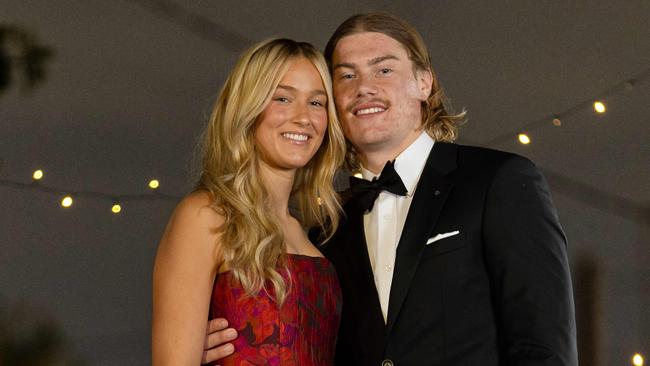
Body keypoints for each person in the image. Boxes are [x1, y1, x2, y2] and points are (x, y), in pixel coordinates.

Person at [202, 12, 578, 366]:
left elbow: (543, 347)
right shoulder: (322, 233)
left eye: (383, 70)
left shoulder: (499, 181)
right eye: (346, 76)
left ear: (423, 83)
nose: (365, 87)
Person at [152, 38, 347, 366]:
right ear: (248, 108)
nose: (303, 118)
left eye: (317, 103)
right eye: (282, 98)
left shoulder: (310, 233)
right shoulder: (205, 216)